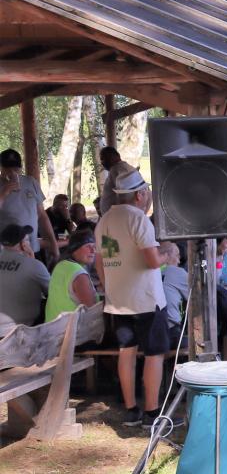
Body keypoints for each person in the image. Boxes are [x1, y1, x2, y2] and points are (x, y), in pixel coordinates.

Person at [94, 170, 168, 427]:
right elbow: (152, 261)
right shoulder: (139, 220)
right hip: (146, 299)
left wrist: (110, 287)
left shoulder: (104, 220)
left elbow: (100, 262)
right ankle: (152, 413)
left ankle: (131, 410)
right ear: (139, 195)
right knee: (154, 354)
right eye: (146, 192)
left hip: (118, 302)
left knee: (126, 352)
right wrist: (168, 255)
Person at [0, 149, 55, 258]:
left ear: (20, 168)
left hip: (32, 247)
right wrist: (4, 192)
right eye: (8, 168)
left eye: (15, 168)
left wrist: (53, 244)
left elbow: (42, 216)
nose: (12, 172)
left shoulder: (31, 182)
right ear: (1, 167)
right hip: (7, 252)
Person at [0, 223, 50, 337]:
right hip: (19, 332)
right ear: (23, 245)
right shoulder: (34, 266)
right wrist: (33, 259)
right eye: (27, 240)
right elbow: (52, 292)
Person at [44, 229, 98, 322]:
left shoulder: (60, 265)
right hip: (69, 330)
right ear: (75, 248)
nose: (93, 251)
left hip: (52, 327)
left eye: (94, 247)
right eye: (88, 246)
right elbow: (92, 312)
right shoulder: (79, 274)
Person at [158, 242, 189, 348]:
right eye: (177, 255)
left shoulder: (149, 272)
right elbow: (196, 295)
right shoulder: (177, 272)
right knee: (198, 342)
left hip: (146, 334)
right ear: (166, 256)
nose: (179, 261)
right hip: (169, 333)